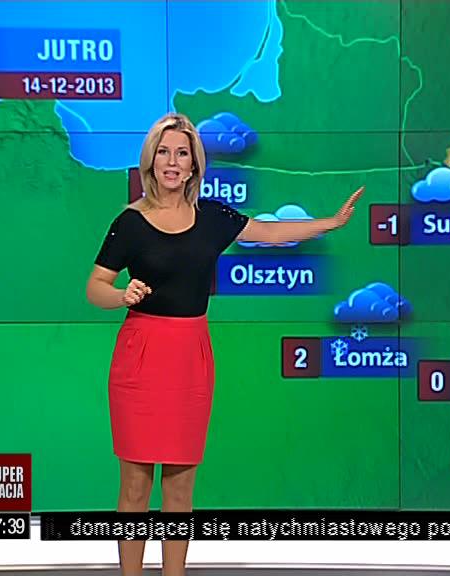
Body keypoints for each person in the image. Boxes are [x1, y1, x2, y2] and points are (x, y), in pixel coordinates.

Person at [85, 112, 363, 576]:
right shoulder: (129, 223)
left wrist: (331, 223)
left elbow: (270, 233)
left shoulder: (212, 217)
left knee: (179, 489)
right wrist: (120, 295)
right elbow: (95, 286)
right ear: (150, 161)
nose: (172, 162)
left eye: (182, 153)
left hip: (189, 357)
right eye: (163, 152)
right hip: (141, 356)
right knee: (135, 488)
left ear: (195, 165)